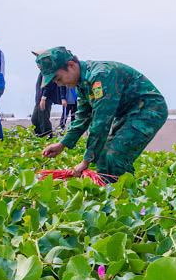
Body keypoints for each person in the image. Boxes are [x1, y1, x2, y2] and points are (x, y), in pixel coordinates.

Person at [38, 47, 168, 182]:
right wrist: (62, 144)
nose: (60, 84)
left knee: (115, 154)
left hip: (149, 108)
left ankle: (125, 192)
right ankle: (108, 191)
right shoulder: (81, 84)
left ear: (71, 65)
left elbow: (101, 120)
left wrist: (85, 161)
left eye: (58, 78)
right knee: (102, 157)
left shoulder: (101, 75)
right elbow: (83, 117)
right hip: (126, 113)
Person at [32, 68, 66, 137]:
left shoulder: (47, 69)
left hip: (45, 99)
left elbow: (49, 84)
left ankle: (48, 137)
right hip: (39, 98)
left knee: (43, 120)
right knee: (35, 119)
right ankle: (39, 136)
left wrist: (43, 98)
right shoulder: (43, 70)